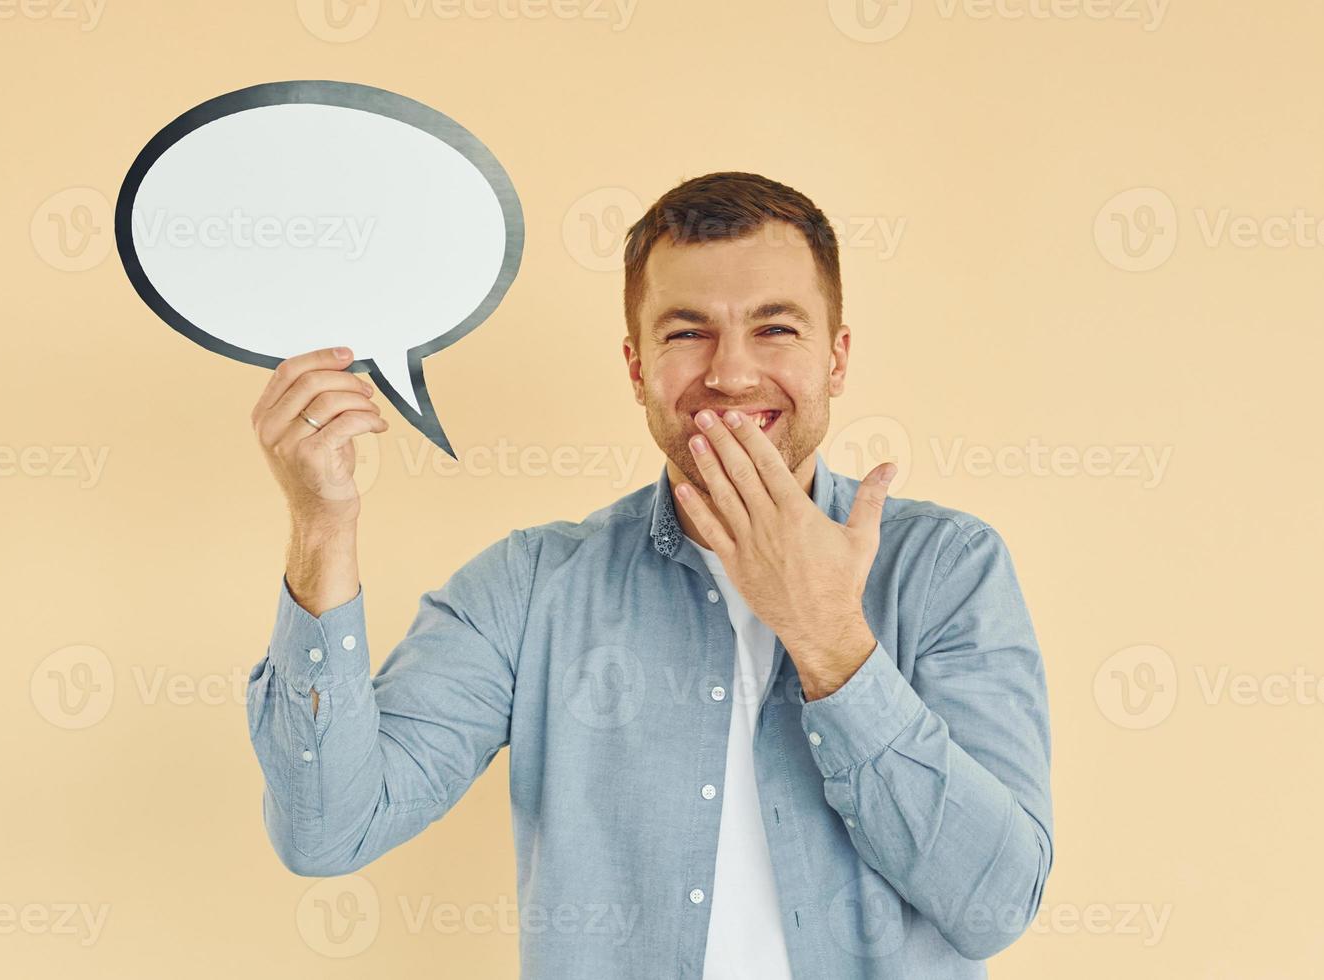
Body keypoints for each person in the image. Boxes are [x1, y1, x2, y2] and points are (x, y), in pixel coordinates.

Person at [245, 172, 1053, 978]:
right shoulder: (530, 588)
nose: (732, 375)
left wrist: (831, 642)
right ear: (636, 369)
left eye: (775, 329)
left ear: (836, 358)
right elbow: (327, 830)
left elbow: (995, 903)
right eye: (686, 332)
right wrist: (322, 525)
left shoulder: (949, 568)